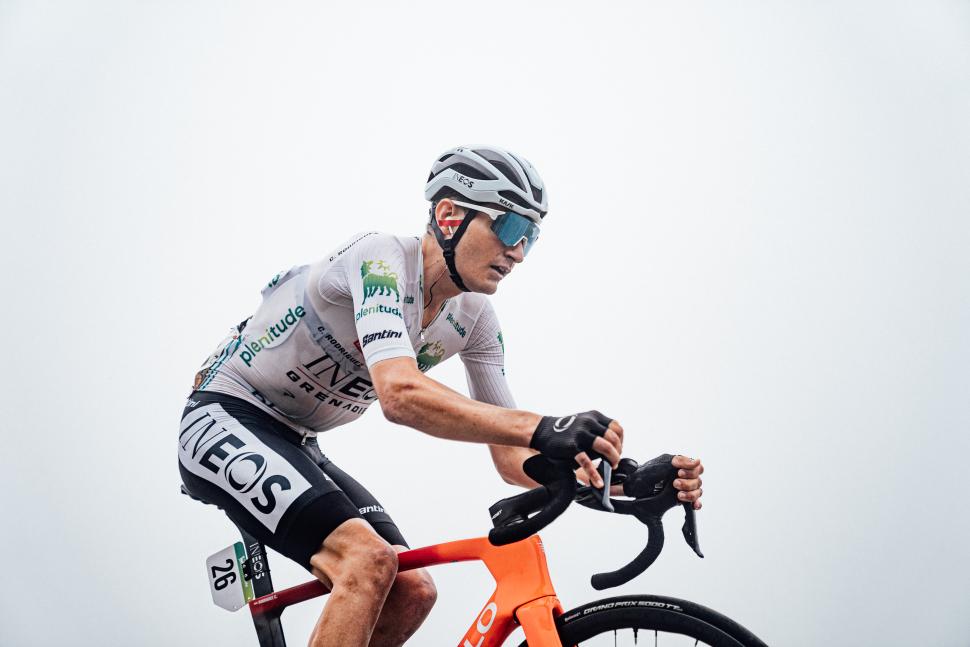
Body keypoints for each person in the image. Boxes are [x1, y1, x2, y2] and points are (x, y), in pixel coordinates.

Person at [177, 145, 704, 647]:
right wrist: (545, 426)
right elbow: (400, 394)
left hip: (298, 439)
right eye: (511, 226)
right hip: (226, 413)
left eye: (533, 237)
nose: (519, 251)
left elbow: (511, 456)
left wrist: (617, 478)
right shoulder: (381, 259)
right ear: (450, 215)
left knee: (412, 591)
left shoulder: (475, 319)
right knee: (366, 562)